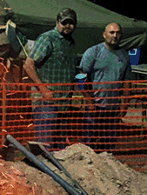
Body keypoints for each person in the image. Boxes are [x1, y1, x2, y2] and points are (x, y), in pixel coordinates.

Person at [23, 8, 78, 150]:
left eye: (71, 23)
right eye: (64, 22)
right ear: (57, 22)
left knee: (61, 150)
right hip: (46, 102)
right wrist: (43, 90)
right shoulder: (47, 38)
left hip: (63, 104)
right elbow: (28, 65)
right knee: (44, 149)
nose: (67, 26)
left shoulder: (70, 43)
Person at [79, 22, 132, 152]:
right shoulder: (93, 52)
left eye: (118, 33)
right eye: (112, 32)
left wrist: (125, 104)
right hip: (95, 107)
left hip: (113, 110)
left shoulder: (124, 55)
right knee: (89, 147)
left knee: (108, 148)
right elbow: (80, 78)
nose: (115, 35)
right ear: (104, 35)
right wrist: (89, 101)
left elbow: (127, 82)